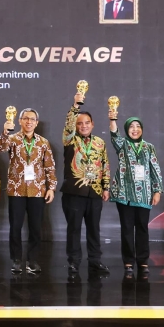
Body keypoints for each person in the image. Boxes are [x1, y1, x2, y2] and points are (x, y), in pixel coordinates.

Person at [0, 108, 57, 275]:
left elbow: (49, 166)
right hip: (16, 189)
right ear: (20, 121)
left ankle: (33, 260)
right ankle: (16, 259)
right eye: (25, 119)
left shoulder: (43, 142)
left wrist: (51, 188)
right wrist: (5, 132)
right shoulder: (12, 139)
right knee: (15, 227)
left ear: (36, 123)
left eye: (32, 119)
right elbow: (1, 148)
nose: (29, 122)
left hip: (37, 190)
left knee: (36, 227)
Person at [61, 94, 110, 277]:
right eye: (80, 123)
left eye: (87, 123)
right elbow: (68, 125)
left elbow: (105, 165)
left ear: (92, 124)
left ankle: (95, 261)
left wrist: (106, 187)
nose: (83, 126)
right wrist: (76, 105)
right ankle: (73, 262)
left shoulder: (100, 143)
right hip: (74, 192)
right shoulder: (70, 139)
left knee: (94, 229)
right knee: (74, 229)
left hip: (95, 192)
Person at [108, 115, 163, 275]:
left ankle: (143, 261)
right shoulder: (122, 144)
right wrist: (112, 119)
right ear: (127, 130)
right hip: (124, 194)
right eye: (131, 127)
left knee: (142, 228)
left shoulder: (149, 147)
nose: (135, 129)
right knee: (126, 229)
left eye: (138, 126)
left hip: (144, 194)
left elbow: (155, 169)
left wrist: (157, 190)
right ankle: (128, 262)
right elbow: (114, 134)